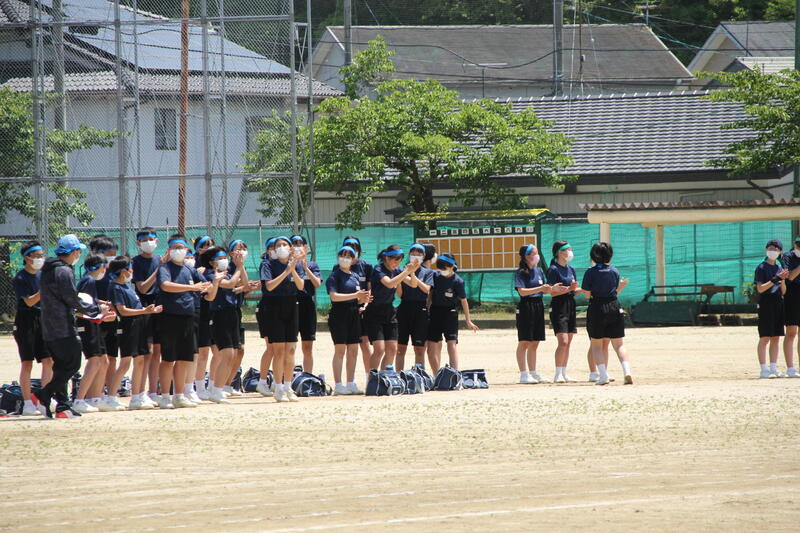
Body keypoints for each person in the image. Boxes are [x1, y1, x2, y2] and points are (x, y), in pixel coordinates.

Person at [34, 234, 106, 418]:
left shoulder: (48, 270)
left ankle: (63, 406)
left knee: (60, 367)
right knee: (73, 364)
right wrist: (96, 310)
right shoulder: (64, 271)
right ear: (74, 252)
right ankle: (43, 394)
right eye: (78, 252)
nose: (79, 255)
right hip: (63, 326)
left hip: (48, 326)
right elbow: (71, 298)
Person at [156, 234, 211, 408]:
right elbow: (165, 285)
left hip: (188, 317)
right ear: (169, 250)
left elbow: (205, 285)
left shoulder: (189, 269)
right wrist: (191, 287)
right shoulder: (165, 267)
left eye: (181, 248)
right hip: (170, 317)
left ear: (187, 250)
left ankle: (179, 395)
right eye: (175, 248)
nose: (178, 251)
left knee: (184, 358)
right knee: (168, 359)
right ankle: (166, 396)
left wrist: (213, 283)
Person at [107, 256, 162, 410]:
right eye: (130, 268)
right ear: (123, 271)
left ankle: (137, 397)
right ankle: (111, 397)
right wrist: (144, 311)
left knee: (140, 360)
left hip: (138, 324)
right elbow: (123, 311)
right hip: (127, 327)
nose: (132, 271)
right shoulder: (115, 287)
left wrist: (150, 311)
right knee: (125, 363)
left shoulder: (126, 286)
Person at [260, 236, 304, 402]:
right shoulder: (268, 264)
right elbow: (269, 286)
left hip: (292, 305)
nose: (281, 247)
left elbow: (301, 285)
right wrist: (285, 271)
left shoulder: (295, 264)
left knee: (291, 350)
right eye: (278, 245)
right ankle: (278, 387)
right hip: (274, 306)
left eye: (285, 244)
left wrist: (292, 268)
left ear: (290, 248)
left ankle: (288, 386)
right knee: (278, 350)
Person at [581, 242, 631, 386]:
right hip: (615, 306)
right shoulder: (614, 271)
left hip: (597, 307)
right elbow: (614, 292)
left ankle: (603, 375)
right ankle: (627, 371)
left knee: (596, 345)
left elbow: (587, 295)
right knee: (619, 344)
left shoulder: (590, 272)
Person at [12, 241, 53, 416]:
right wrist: (44, 289)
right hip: (26, 320)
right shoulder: (20, 278)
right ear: (27, 258)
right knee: (27, 362)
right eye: (36, 256)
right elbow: (29, 302)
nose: (40, 259)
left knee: (48, 360)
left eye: (41, 255)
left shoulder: (43, 275)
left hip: (43, 318)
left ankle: (46, 398)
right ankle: (28, 403)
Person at [73, 254, 117, 413]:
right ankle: (79, 400)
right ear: (99, 267)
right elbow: (82, 307)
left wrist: (102, 313)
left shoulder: (89, 280)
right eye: (104, 267)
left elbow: (90, 303)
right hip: (87, 325)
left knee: (103, 360)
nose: (105, 270)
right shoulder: (89, 280)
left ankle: (95, 398)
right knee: (94, 360)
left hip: (93, 323)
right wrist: (100, 311)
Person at [202, 245, 246, 403]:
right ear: (211, 262)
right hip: (219, 314)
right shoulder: (210, 274)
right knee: (226, 354)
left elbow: (244, 283)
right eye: (219, 258)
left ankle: (219, 389)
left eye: (224, 258)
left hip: (232, 313)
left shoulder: (230, 270)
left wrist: (241, 266)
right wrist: (239, 268)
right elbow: (230, 284)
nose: (223, 261)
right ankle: (216, 390)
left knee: (233, 355)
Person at [326, 246, 371, 395]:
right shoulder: (334, 276)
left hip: (354, 313)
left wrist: (363, 300)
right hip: (339, 314)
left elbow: (357, 297)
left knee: (353, 349)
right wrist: (356, 296)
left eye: (348, 256)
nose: (345, 259)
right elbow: (334, 297)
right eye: (342, 255)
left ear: (353, 260)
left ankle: (350, 383)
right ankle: (338, 385)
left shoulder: (355, 276)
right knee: (340, 349)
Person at [367, 245, 418, 370]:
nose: (397, 263)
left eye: (399, 261)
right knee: (379, 349)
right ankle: (372, 377)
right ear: (387, 258)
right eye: (395, 260)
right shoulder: (378, 269)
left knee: (392, 349)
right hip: (374, 311)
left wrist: (412, 271)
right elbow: (389, 283)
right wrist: (406, 271)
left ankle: (385, 377)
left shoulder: (397, 270)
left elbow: (413, 284)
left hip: (389, 311)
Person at [426, 253, 479, 372]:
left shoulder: (458, 281)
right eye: (440, 268)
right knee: (432, 345)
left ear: (452, 266)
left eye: (444, 268)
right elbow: (431, 294)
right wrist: (427, 309)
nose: (442, 271)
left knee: (451, 344)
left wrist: (468, 320)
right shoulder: (435, 276)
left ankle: (454, 373)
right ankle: (436, 375)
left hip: (450, 313)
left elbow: (464, 300)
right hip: (435, 312)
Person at [88, 235, 122, 405]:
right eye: (109, 253)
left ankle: (110, 394)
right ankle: (96, 393)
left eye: (114, 254)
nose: (112, 257)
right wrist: (103, 307)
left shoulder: (112, 272)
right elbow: (87, 298)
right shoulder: (92, 275)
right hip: (97, 319)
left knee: (112, 357)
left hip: (112, 318)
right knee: (100, 359)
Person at [132, 227, 163, 403]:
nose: (148, 243)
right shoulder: (136, 262)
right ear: (138, 243)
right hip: (145, 307)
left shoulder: (160, 259)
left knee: (157, 351)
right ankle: (140, 391)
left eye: (151, 239)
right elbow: (142, 288)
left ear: (157, 241)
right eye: (144, 240)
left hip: (160, 306)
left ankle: (153, 391)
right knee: (147, 351)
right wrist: (158, 271)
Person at [546, 240, 584, 384]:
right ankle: (557, 374)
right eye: (566, 249)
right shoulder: (553, 269)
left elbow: (572, 291)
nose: (569, 252)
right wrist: (569, 289)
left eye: (570, 249)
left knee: (568, 342)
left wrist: (583, 289)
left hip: (570, 305)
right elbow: (552, 292)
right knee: (563, 341)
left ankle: (564, 373)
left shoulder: (571, 269)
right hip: (558, 306)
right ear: (559, 252)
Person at [514, 245, 550, 384]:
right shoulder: (520, 272)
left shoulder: (539, 270)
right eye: (534, 253)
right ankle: (524, 374)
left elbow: (545, 289)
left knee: (535, 341)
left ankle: (533, 373)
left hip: (538, 305)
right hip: (526, 307)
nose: (537, 256)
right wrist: (540, 288)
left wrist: (555, 289)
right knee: (524, 341)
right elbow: (522, 292)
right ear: (527, 256)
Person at [755, 239, 789, 379]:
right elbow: (760, 289)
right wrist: (775, 279)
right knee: (765, 337)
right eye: (770, 248)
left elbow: (784, 291)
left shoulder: (779, 268)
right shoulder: (761, 267)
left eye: (775, 249)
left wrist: (783, 280)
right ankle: (764, 369)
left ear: (780, 252)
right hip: (766, 303)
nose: (772, 251)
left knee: (776, 337)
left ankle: (773, 368)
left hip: (778, 303)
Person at [396, 243, 433, 370]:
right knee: (400, 348)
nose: (416, 256)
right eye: (413, 253)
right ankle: (399, 376)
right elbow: (400, 294)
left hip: (421, 309)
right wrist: (405, 274)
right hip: (404, 308)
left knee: (419, 348)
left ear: (423, 255)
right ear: (409, 254)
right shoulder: (402, 270)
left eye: (419, 254)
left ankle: (419, 375)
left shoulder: (427, 272)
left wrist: (412, 274)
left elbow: (426, 290)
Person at [192, 235, 218, 399]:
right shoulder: (195, 267)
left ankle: (213, 385)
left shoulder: (217, 266)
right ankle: (200, 387)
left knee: (218, 352)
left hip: (216, 311)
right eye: (205, 245)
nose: (209, 248)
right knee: (203, 352)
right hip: (201, 311)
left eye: (211, 244)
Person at [291, 235, 321, 373]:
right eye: (294, 244)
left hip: (307, 304)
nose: (297, 247)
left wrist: (306, 268)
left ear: (305, 247)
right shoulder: (287, 264)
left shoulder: (313, 265)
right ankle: (287, 376)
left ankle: (308, 375)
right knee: (290, 345)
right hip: (290, 303)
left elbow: (317, 284)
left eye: (300, 244)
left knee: (307, 346)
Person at [255, 237, 278, 397]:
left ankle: (277, 381)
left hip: (281, 307)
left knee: (280, 348)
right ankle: (262, 382)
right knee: (271, 347)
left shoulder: (284, 264)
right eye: (274, 247)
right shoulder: (266, 264)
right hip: (267, 308)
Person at [780, 237, 800, 378]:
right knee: (791, 332)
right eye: (798, 244)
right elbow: (790, 277)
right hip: (792, 297)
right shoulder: (787, 256)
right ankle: (790, 368)